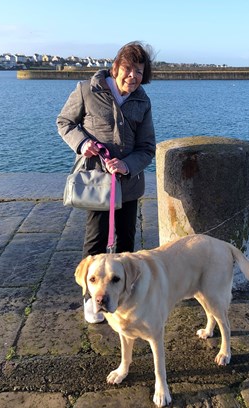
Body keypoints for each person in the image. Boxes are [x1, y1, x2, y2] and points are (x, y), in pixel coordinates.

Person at [56, 41, 156, 323]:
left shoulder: (142, 101)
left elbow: (147, 147)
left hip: (128, 184)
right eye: (127, 68)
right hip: (96, 183)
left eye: (139, 71)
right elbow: (64, 122)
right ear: (115, 67)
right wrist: (83, 143)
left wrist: (126, 165)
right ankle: (92, 299)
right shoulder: (87, 90)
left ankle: (124, 296)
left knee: (126, 243)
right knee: (96, 241)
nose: (132, 76)